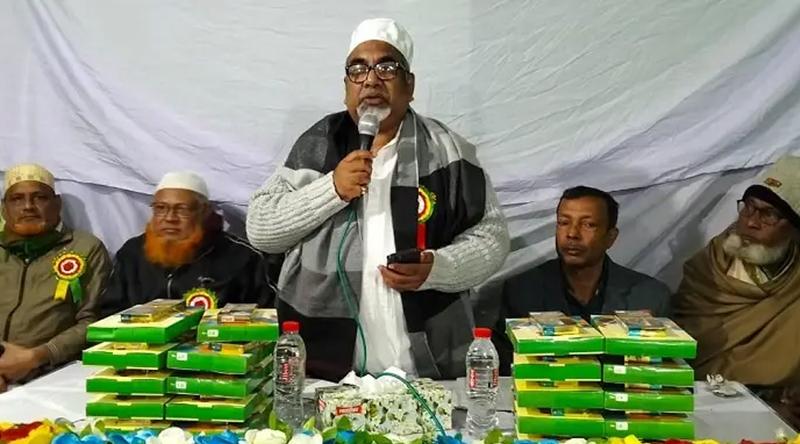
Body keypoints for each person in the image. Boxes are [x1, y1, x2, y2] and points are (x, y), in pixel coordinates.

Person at [247, 18, 509, 380]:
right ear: (346, 88)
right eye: (358, 69)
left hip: (427, 370)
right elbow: (260, 228)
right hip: (325, 370)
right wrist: (332, 189)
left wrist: (438, 269)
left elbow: (492, 237)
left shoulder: (447, 149)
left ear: (410, 85)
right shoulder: (318, 143)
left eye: (386, 67)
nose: (370, 80)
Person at [484, 186, 671, 374]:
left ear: (610, 237)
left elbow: (665, 373)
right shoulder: (522, 290)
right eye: (563, 222)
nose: (572, 233)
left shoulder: (649, 296)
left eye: (588, 225)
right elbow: (505, 370)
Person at [673, 155, 800, 419]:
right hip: (701, 401)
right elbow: (683, 347)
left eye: (769, 215)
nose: (750, 222)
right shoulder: (707, 268)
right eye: (748, 208)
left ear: (794, 229)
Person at [101, 171, 277, 316]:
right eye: (160, 208)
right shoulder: (132, 253)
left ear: (204, 211)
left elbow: (268, 316)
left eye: (182, 209)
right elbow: (108, 314)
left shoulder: (243, 258)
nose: (170, 218)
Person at [0, 163, 111, 391]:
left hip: (53, 378)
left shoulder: (85, 248)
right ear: (4, 209)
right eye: (17, 199)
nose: (28, 206)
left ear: (57, 204)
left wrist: (37, 356)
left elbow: (93, 322)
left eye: (39, 197)